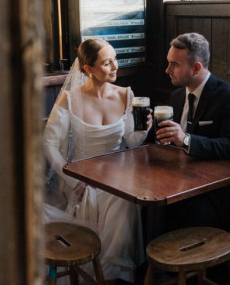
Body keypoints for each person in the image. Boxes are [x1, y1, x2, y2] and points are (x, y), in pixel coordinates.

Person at [43, 38, 152, 283]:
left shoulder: (126, 94)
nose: (115, 66)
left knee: (123, 201)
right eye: (106, 63)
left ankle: (114, 276)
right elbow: (49, 144)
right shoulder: (70, 99)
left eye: (115, 59)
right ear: (88, 69)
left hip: (117, 179)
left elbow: (131, 142)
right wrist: (72, 181)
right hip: (82, 180)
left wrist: (144, 131)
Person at [156, 32, 230, 228]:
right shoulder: (176, 96)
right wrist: (149, 129)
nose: (167, 70)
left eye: (175, 64)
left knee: (184, 215)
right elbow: (164, 141)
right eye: (168, 62)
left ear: (196, 67)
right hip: (174, 179)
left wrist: (186, 140)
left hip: (211, 189)